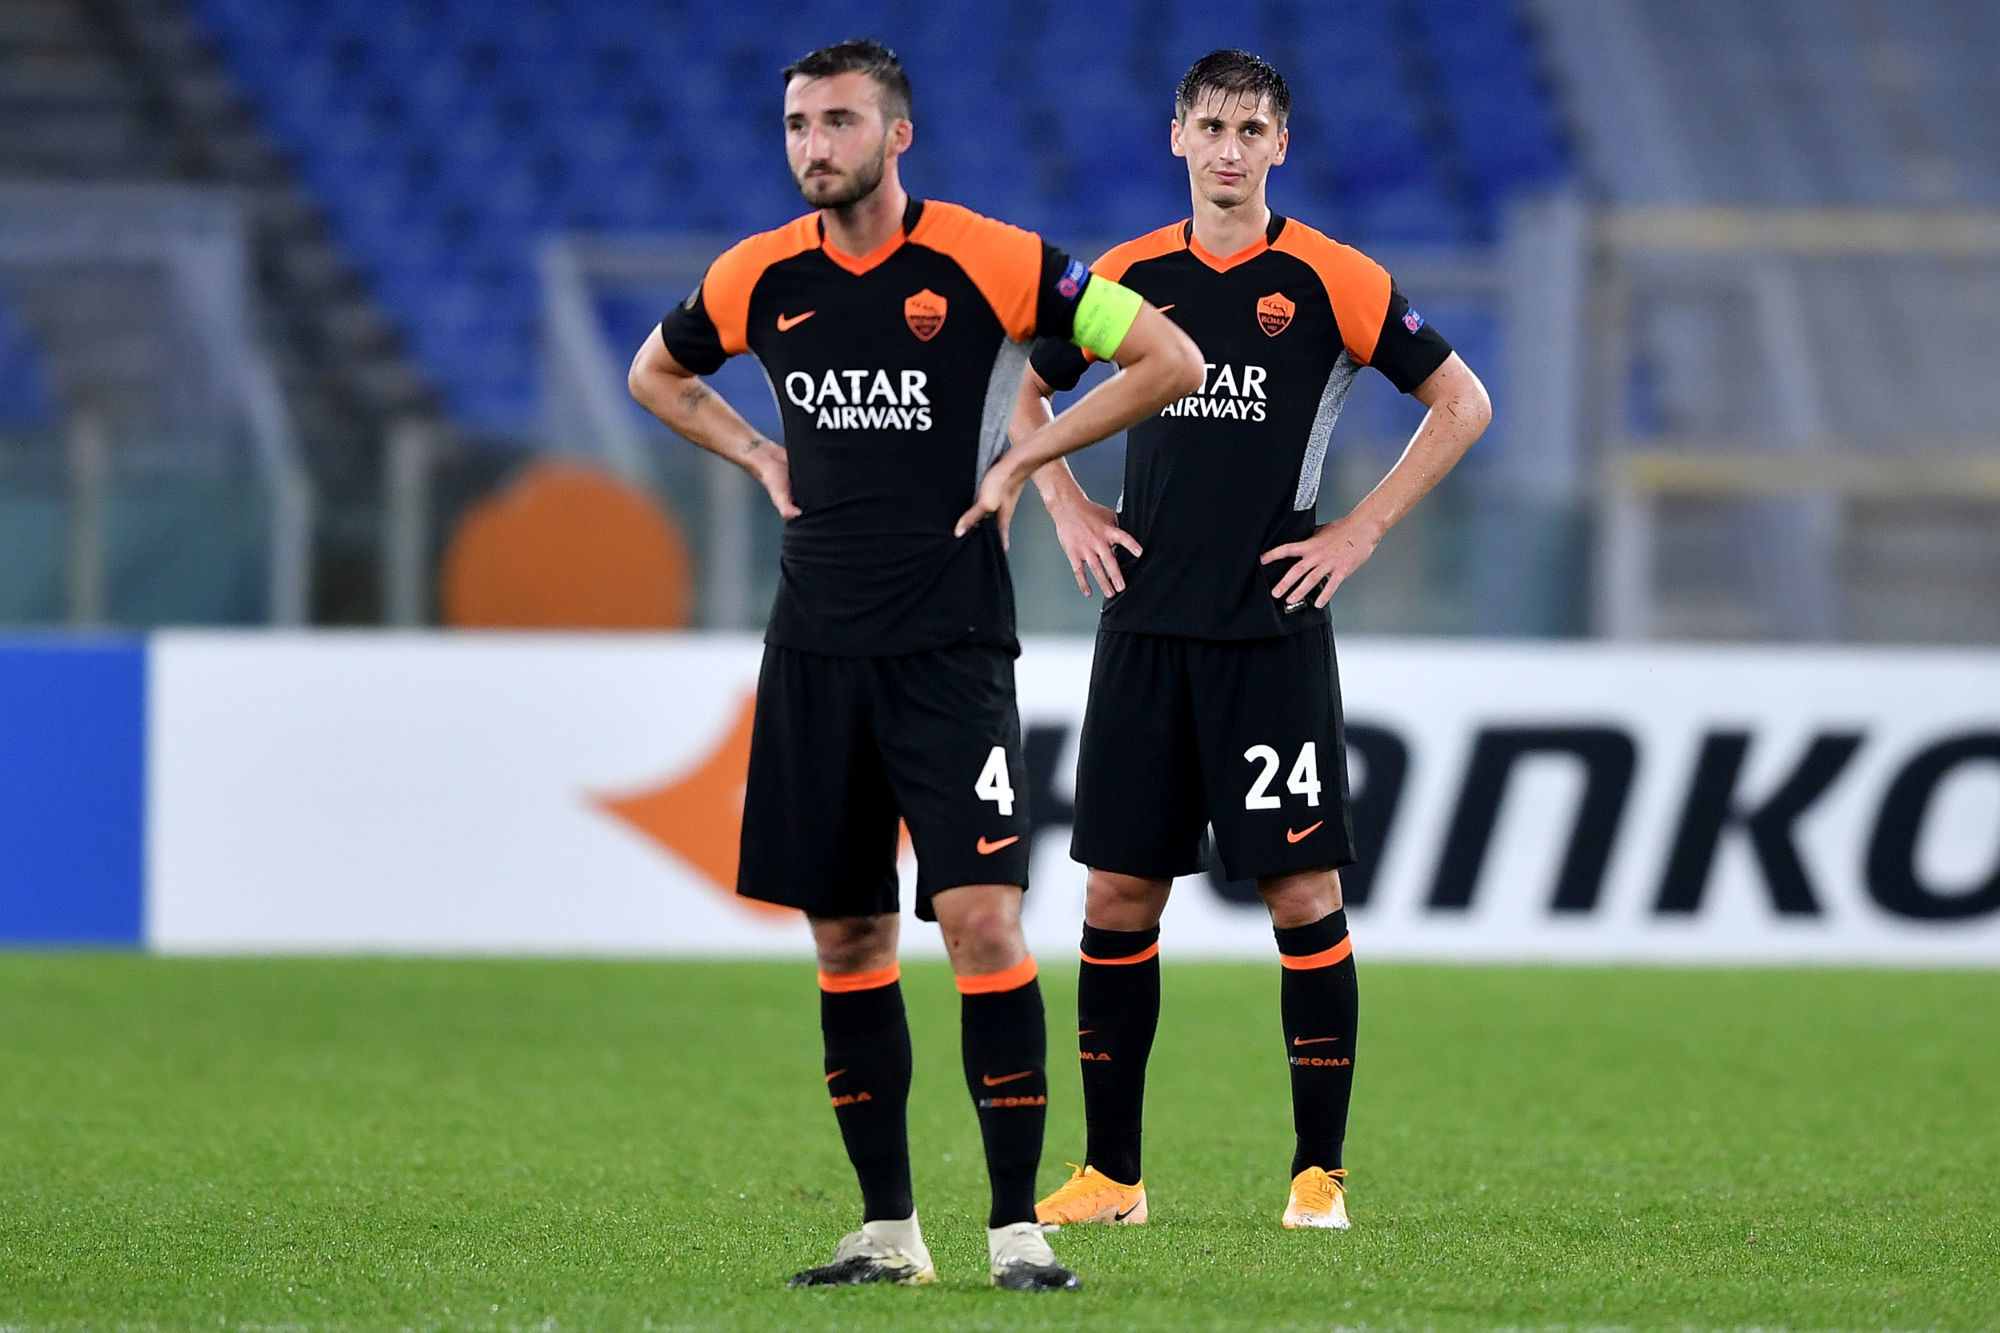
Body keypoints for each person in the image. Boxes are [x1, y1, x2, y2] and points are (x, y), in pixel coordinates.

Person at [627, 39, 1202, 1291]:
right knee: (846, 934)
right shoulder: (754, 275)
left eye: (837, 121)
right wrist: (756, 454)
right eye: (796, 124)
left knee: (981, 918)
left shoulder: (996, 260)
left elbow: (1169, 359)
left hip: (949, 650)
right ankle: (887, 1232)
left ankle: (1015, 1232)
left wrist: (1024, 459)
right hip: (814, 650)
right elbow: (655, 373)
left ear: (896, 135)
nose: (811, 146)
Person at [1020, 49, 1491, 1232]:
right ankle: (1112, 1178)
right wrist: (1064, 502)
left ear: (1280, 145)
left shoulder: (1331, 277)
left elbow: (1462, 402)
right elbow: (1015, 387)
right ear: (1175, 136)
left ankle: (1316, 1175)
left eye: (1250, 130)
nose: (1228, 149)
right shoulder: (1126, 276)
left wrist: (1359, 529)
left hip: (1269, 633)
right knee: (1117, 891)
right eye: (1210, 127)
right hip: (1143, 628)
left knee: (1299, 889)